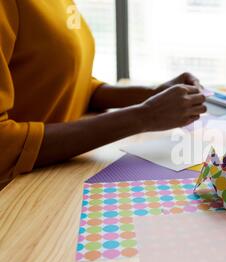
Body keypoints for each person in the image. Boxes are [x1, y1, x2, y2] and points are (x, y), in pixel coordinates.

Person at [0, 0, 207, 185]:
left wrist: (153, 94)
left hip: (53, 176)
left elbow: (74, 86)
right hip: (15, 193)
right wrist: (145, 116)